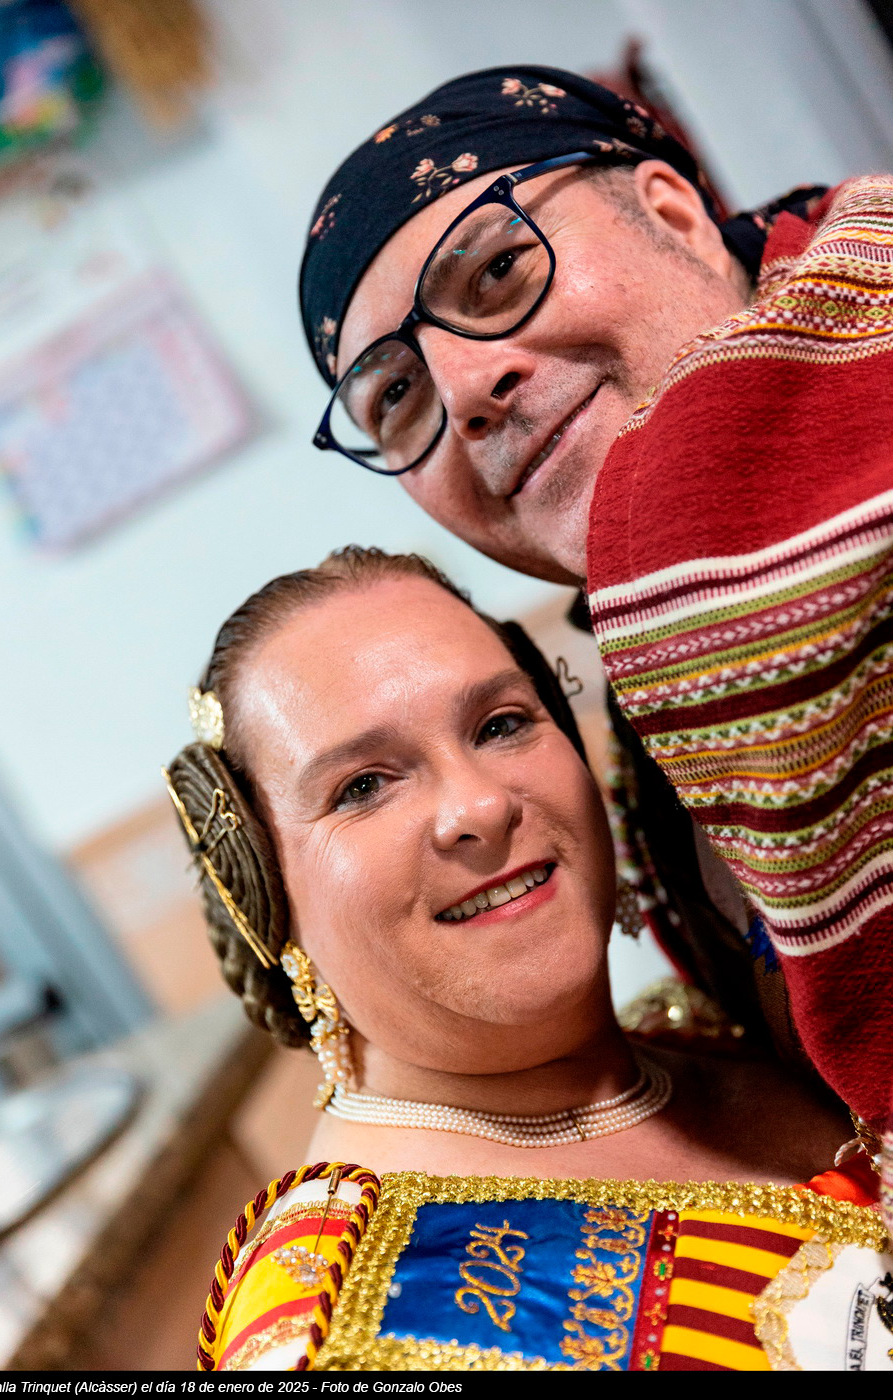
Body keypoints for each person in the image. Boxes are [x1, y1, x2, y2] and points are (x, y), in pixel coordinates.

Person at [298, 65, 893, 1147]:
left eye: (497, 272)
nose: (464, 391)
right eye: (396, 397)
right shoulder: (644, 674)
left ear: (674, 214)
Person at [164, 547, 886, 1373]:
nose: (478, 805)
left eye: (500, 724)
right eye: (362, 786)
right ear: (261, 897)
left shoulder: (723, 1029)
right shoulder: (345, 1329)